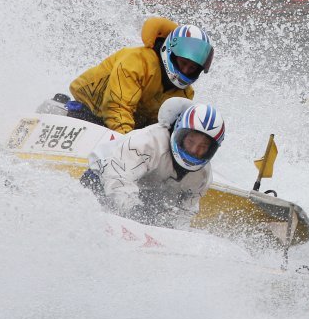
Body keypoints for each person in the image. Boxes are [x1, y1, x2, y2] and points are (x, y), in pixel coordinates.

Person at [80, 97, 226, 229]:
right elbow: (118, 178)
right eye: (191, 141)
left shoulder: (203, 176)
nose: (194, 150)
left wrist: (177, 233)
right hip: (101, 177)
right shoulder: (147, 143)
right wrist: (133, 213)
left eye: (203, 147)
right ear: (180, 132)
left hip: (146, 195)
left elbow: (185, 212)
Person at [68, 17, 214, 134]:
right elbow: (117, 107)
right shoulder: (137, 62)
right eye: (183, 63)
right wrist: (127, 144)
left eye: (192, 68)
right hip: (88, 111)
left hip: (131, 128)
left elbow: (167, 130)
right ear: (170, 52)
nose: (186, 70)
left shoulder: (185, 94)